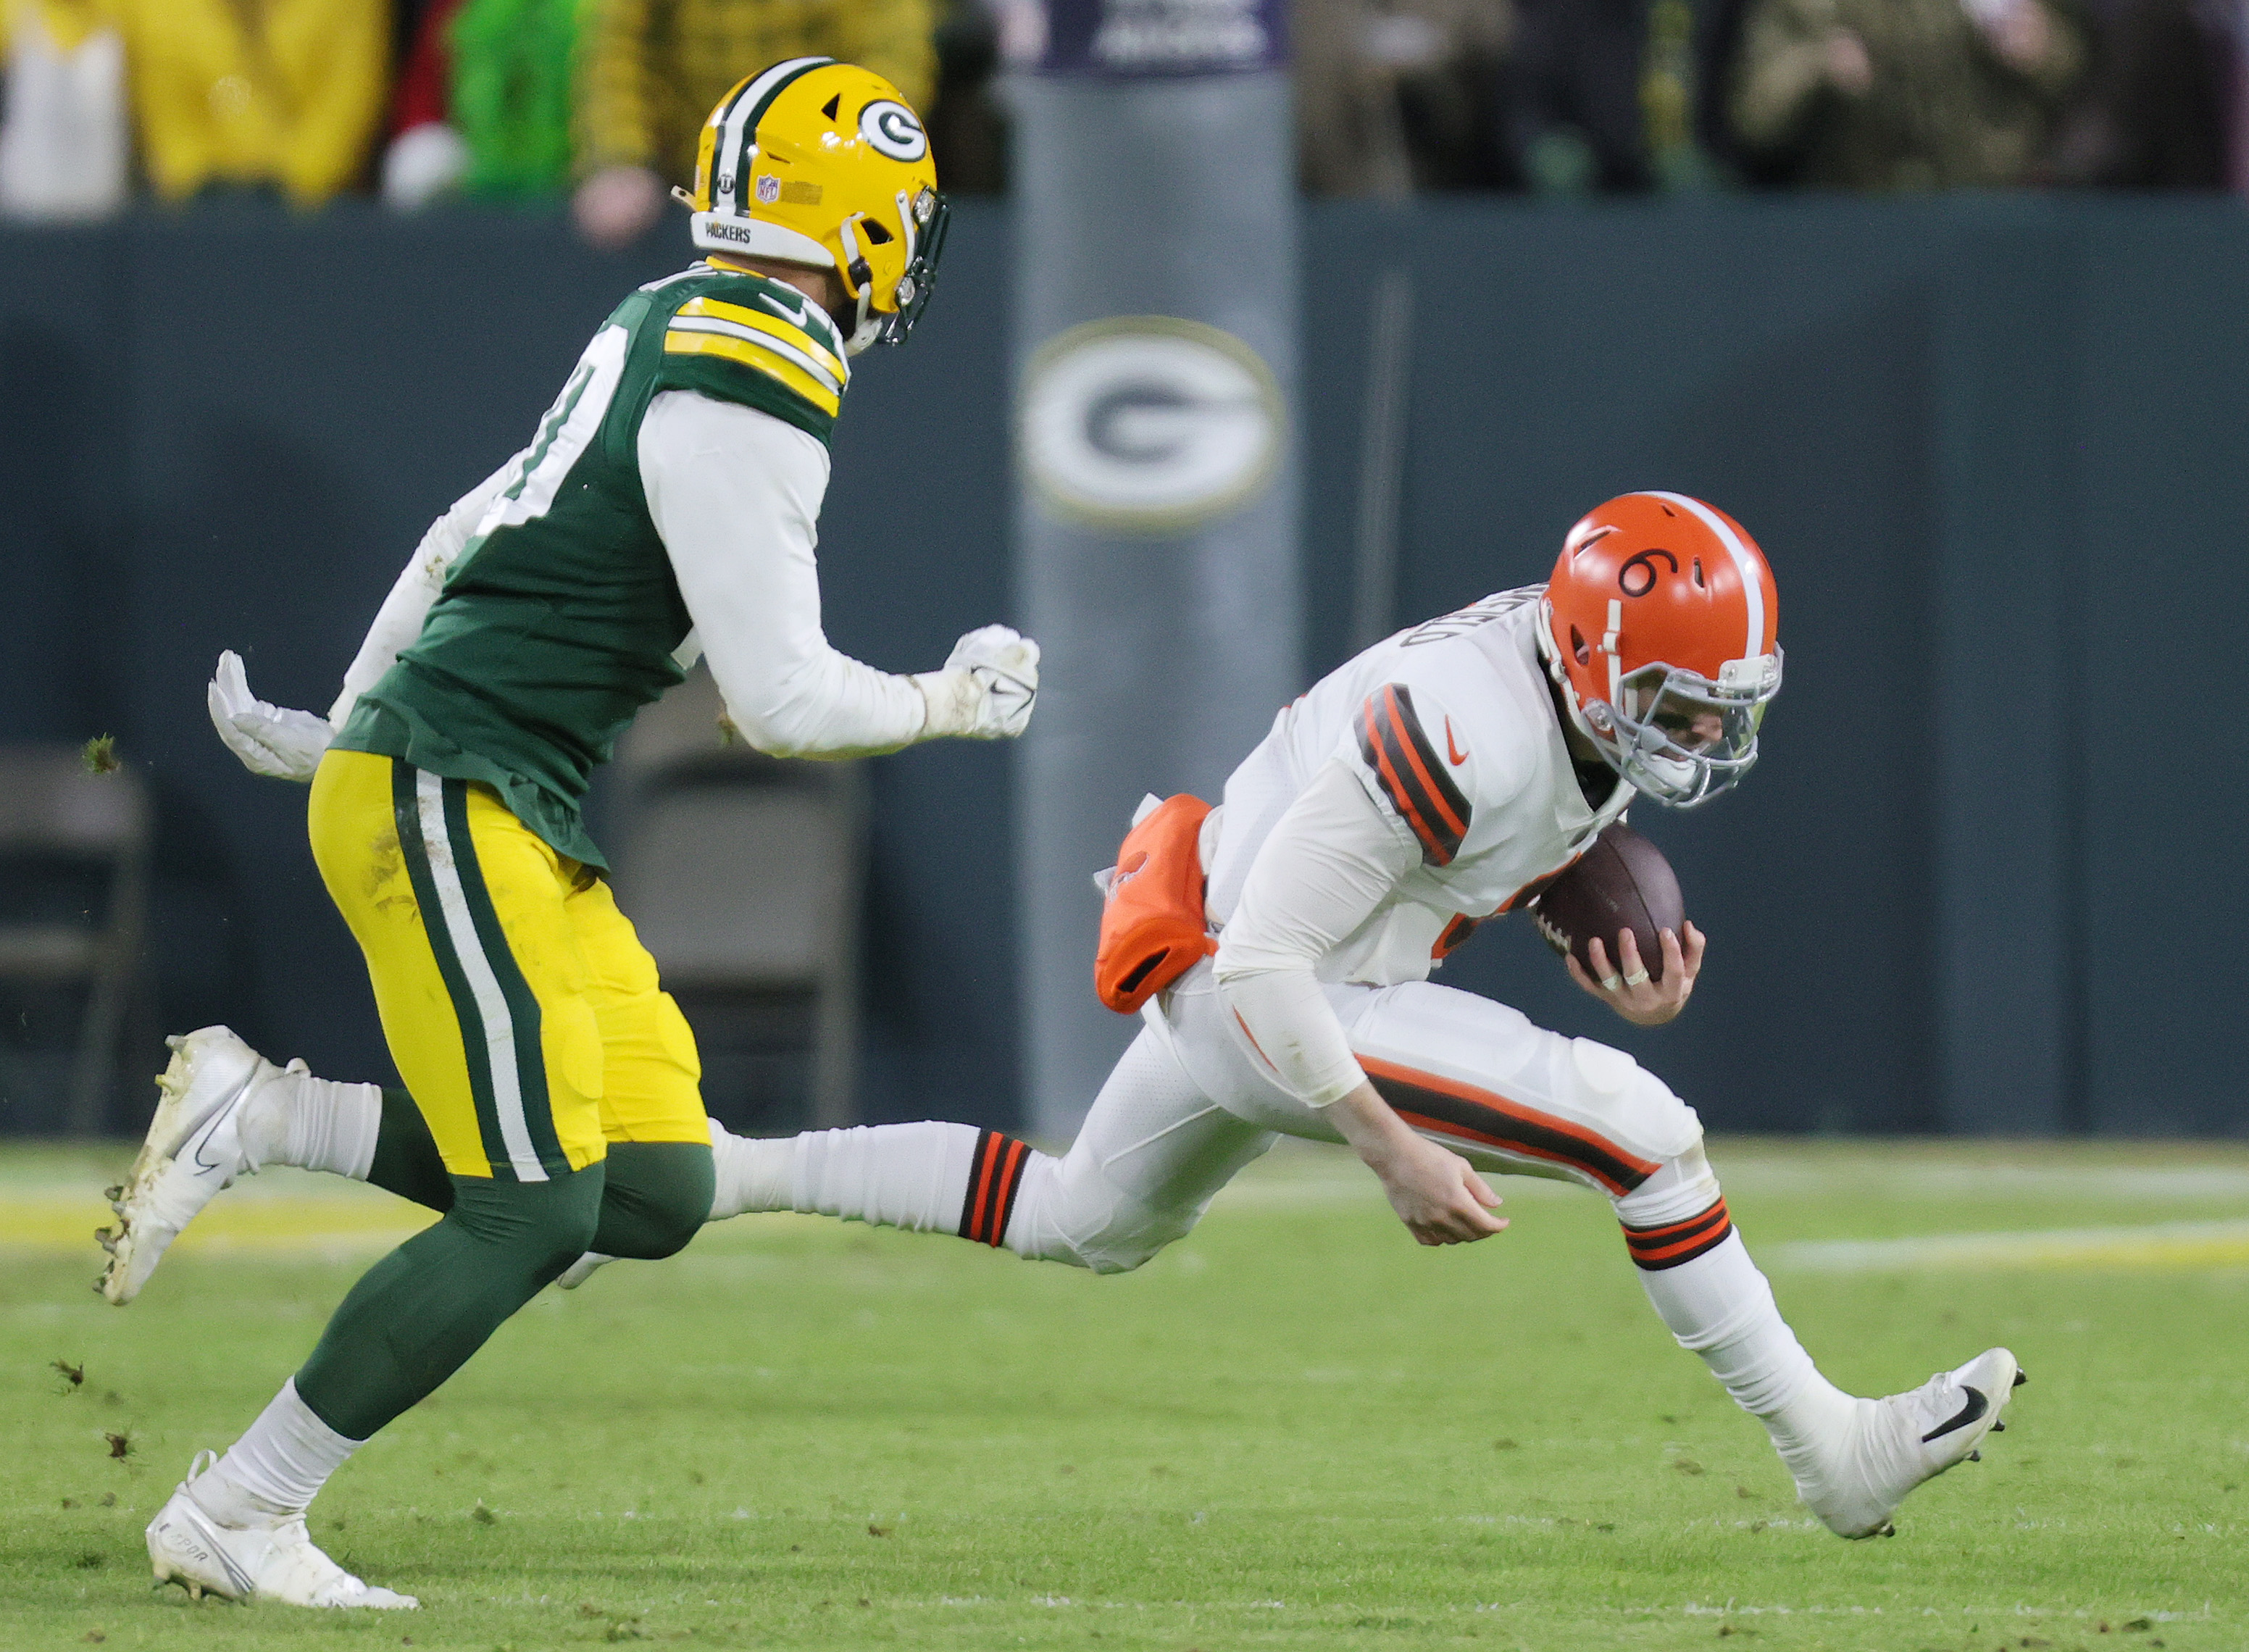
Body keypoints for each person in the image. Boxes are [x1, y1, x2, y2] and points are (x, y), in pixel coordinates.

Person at [128, 493, 2021, 1545]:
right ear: (1602, 662)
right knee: (1646, 1130)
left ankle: (371, 1132)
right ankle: (1826, 1453)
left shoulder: (1554, 689)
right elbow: (1283, 968)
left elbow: (1484, 856)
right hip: (1272, 987)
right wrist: (1388, 1141)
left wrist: (1580, 924)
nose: (1703, 741)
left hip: (1272, 960)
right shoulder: (1466, 719)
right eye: (1683, 708)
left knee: (1081, 1220)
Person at [100, 57, 1039, 1610]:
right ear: (863, 223)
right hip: (458, 786)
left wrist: (349, 719)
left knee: (653, 1187)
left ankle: (260, 1120)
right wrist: (954, 700)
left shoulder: (662, 315)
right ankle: (237, 1510)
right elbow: (785, 705)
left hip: (488, 790)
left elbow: (455, 536)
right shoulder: (760, 377)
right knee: (533, 1206)